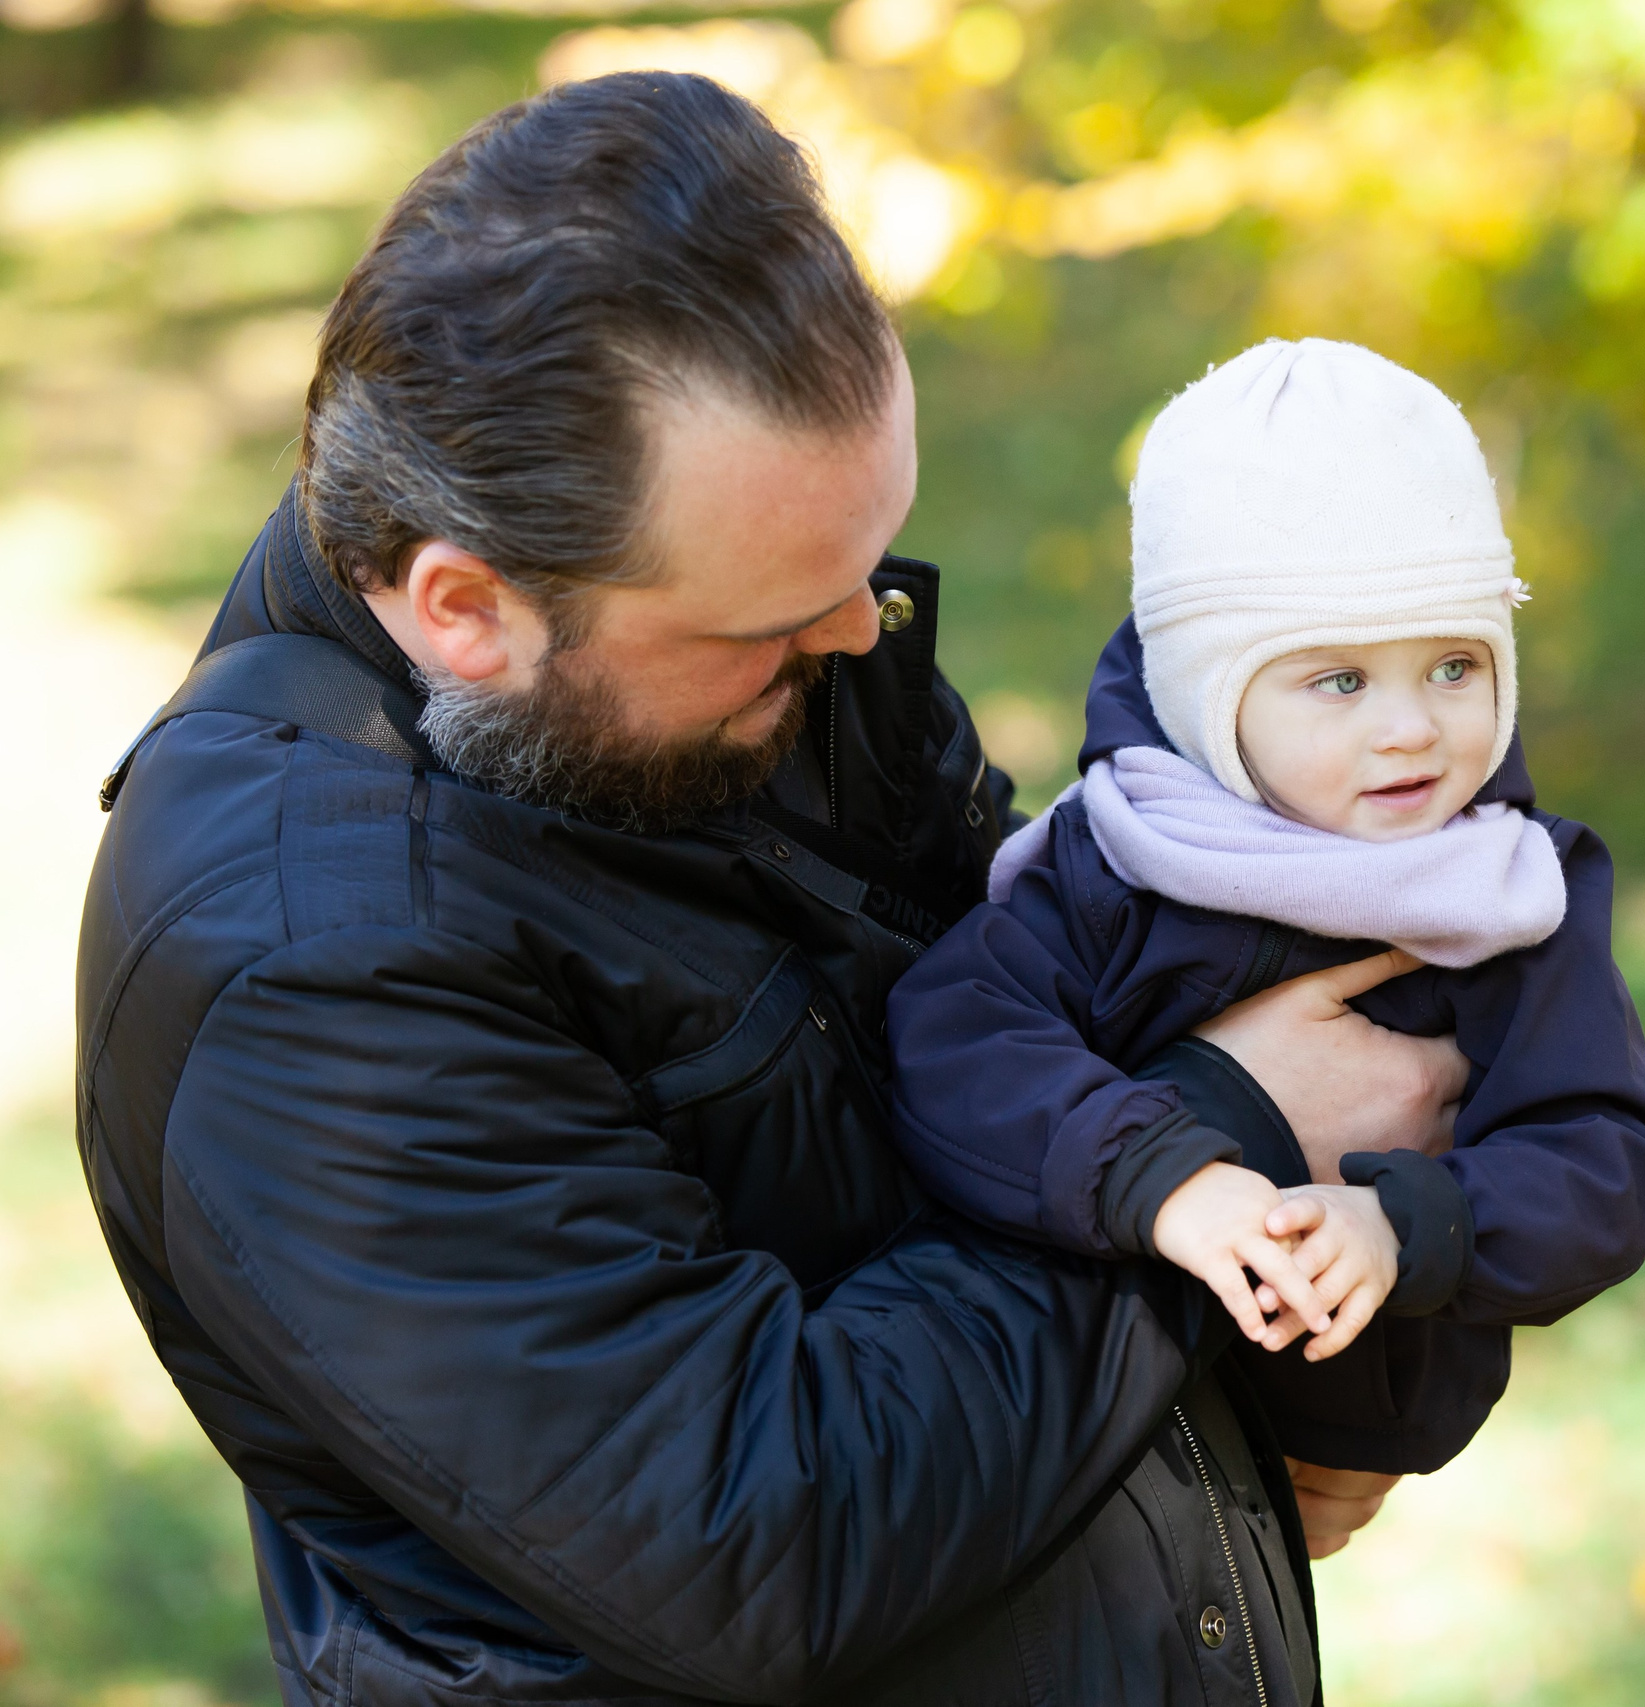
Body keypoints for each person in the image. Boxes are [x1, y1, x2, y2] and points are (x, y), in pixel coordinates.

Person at [75, 75, 1472, 1706]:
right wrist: (1215, 1147)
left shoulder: (741, 632)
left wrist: (1293, 1377)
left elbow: (1024, 1018)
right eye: (773, 624)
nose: (860, 644)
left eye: (863, 567)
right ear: (468, 612)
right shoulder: (304, 970)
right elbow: (765, 1535)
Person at [885, 340, 1645, 1475]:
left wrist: (1410, 1224)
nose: (1409, 727)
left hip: (1350, 1426)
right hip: (1115, 1430)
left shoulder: (1504, 889)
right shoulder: (1123, 856)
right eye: (1340, 681)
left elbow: (1604, 1158)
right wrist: (1163, 1175)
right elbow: (956, 1044)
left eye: (1453, 665)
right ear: (1212, 702)